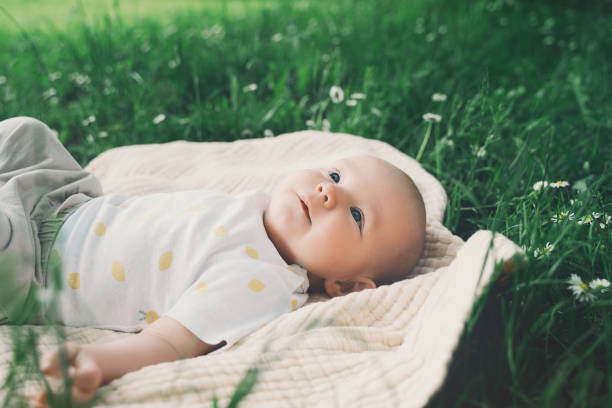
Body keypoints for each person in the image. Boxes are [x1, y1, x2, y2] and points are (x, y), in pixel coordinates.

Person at [0, 117, 426, 406]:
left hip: (34, 264)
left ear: (348, 286)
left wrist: (101, 363)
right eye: (335, 176)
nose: (328, 192)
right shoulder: (261, 207)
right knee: (26, 133)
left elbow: (168, 342)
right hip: (66, 203)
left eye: (356, 216)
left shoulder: (261, 281)